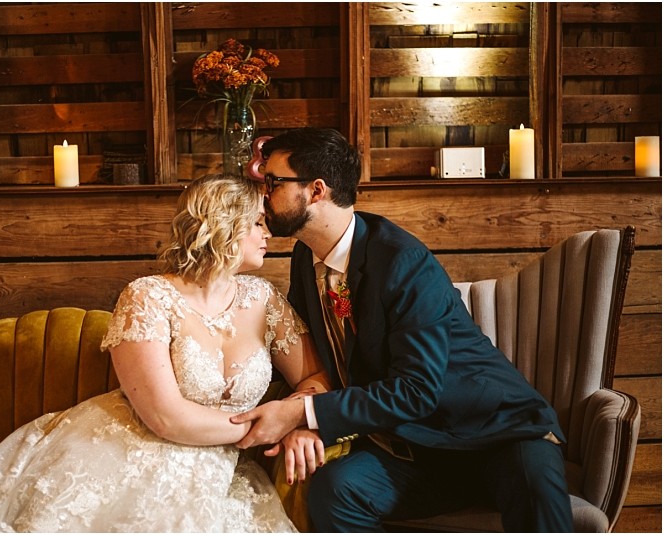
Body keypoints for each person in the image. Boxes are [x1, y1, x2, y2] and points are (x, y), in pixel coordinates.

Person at [0, 174, 330, 532]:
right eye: (255, 221)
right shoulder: (148, 296)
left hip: (222, 463)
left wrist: (295, 421)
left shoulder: (264, 299)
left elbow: (316, 378)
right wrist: (267, 425)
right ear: (222, 227)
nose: (267, 231)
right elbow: (165, 418)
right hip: (126, 447)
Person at [231, 128, 575, 532]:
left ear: (316, 191)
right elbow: (308, 357)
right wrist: (303, 420)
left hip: (495, 432)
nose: (262, 194)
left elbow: (417, 390)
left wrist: (304, 414)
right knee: (336, 489)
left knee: (536, 485)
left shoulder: (402, 262)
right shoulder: (306, 258)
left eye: (272, 182)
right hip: (415, 448)